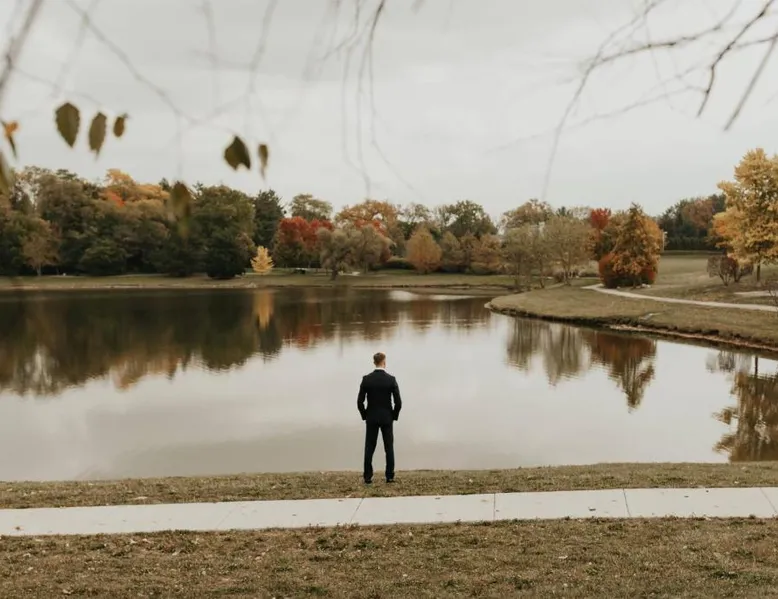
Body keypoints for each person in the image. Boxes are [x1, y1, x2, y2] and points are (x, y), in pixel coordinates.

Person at [357, 352, 402, 484]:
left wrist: (365, 415)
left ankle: (367, 477)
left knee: (369, 447)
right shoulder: (391, 379)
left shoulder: (366, 379)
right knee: (389, 448)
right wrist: (394, 415)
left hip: (371, 417)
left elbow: (359, 402)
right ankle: (389, 476)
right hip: (387, 417)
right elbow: (398, 402)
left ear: (374, 362)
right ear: (384, 362)